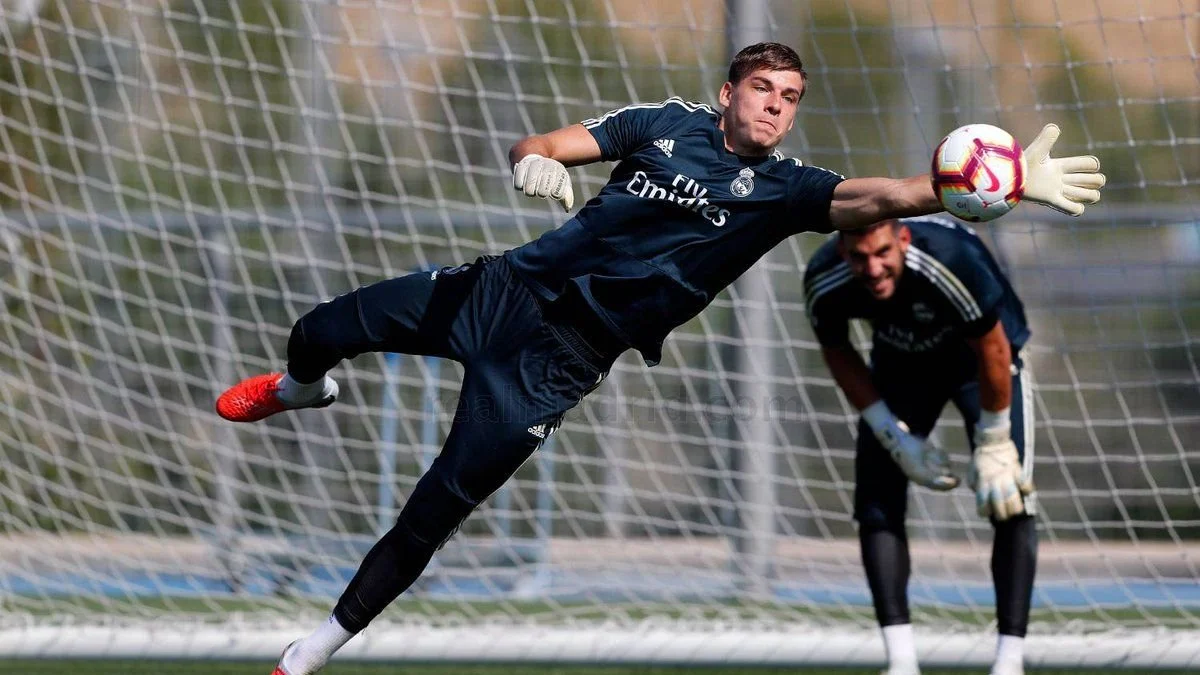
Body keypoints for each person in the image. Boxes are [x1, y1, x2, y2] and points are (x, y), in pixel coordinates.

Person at [212, 42, 1104, 675]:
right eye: (763, 88)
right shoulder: (662, 124)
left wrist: (992, 183)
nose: (776, 105)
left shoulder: (786, 190)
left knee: (435, 508)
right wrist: (533, 163)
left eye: (791, 96)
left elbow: (888, 194)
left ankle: (312, 650)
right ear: (727, 92)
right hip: (503, 291)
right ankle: (302, 389)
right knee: (322, 326)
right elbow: (542, 144)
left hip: (559, 362)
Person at [803, 216, 1039, 675]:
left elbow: (993, 348)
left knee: (1009, 498)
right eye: (860, 257)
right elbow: (837, 350)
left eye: (882, 253)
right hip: (901, 367)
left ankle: (1009, 663)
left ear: (903, 240)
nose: (873, 269)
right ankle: (901, 663)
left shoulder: (950, 259)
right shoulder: (824, 278)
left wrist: (994, 441)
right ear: (842, 252)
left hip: (979, 362)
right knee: (876, 503)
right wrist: (891, 435)